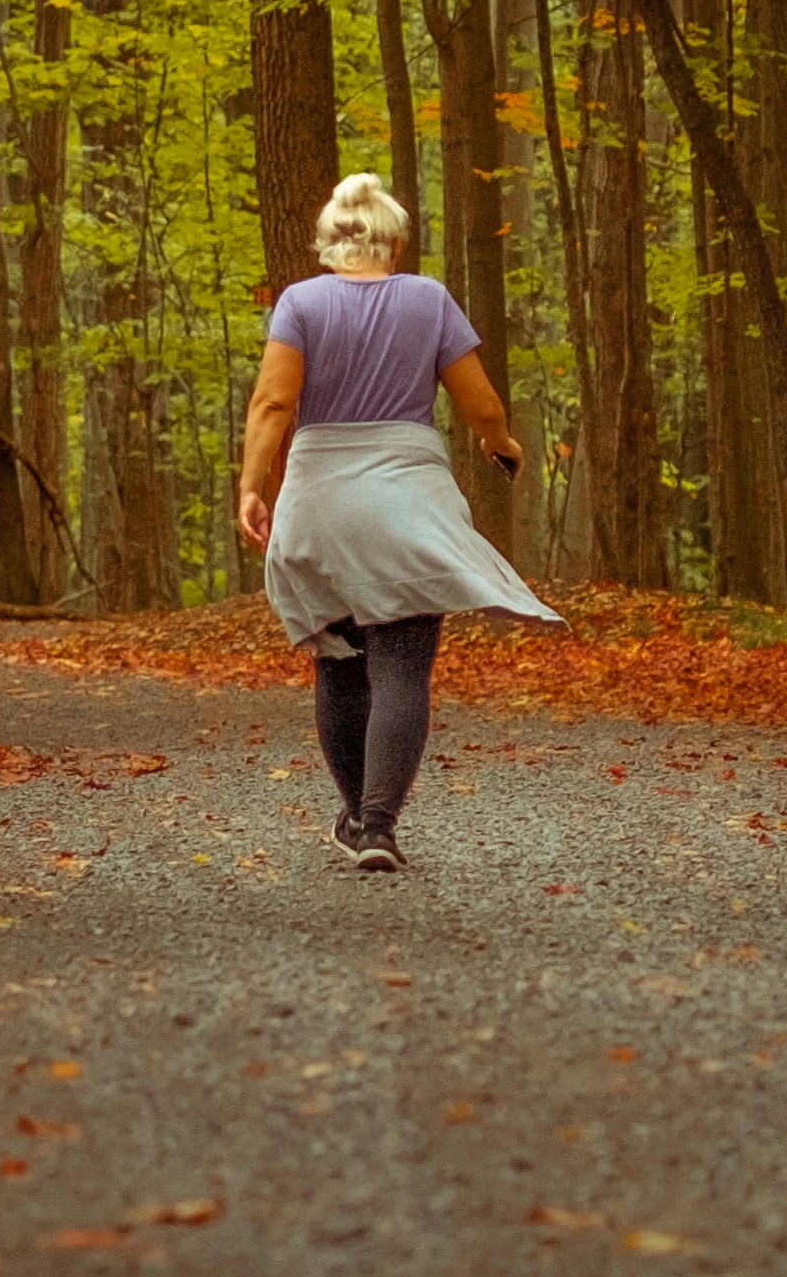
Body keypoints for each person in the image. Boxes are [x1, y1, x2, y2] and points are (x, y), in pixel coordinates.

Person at [237, 170, 560, 871]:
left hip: (321, 497)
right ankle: (378, 825)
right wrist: (497, 442)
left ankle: (354, 817)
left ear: (329, 241)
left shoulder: (300, 303)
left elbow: (270, 403)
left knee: (339, 665)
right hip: (405, 498)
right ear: (392, 240)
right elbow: (479, 402)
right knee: (401, 670)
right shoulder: (427, 298)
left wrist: (251, 485)